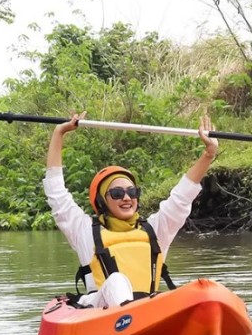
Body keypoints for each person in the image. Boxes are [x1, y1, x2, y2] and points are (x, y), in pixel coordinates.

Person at [43, 113, 219, 308]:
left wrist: (209, 154)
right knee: (117, 280)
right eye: (117, 193)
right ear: (102, 201)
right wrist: (59, 133)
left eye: (132, 192)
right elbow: (57, 193)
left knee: (202, 289)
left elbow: (182, 196)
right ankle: (127, 317)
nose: (126, 198)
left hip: (146, 311)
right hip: (100, 310)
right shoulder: (84, 231)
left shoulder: (155, 229)